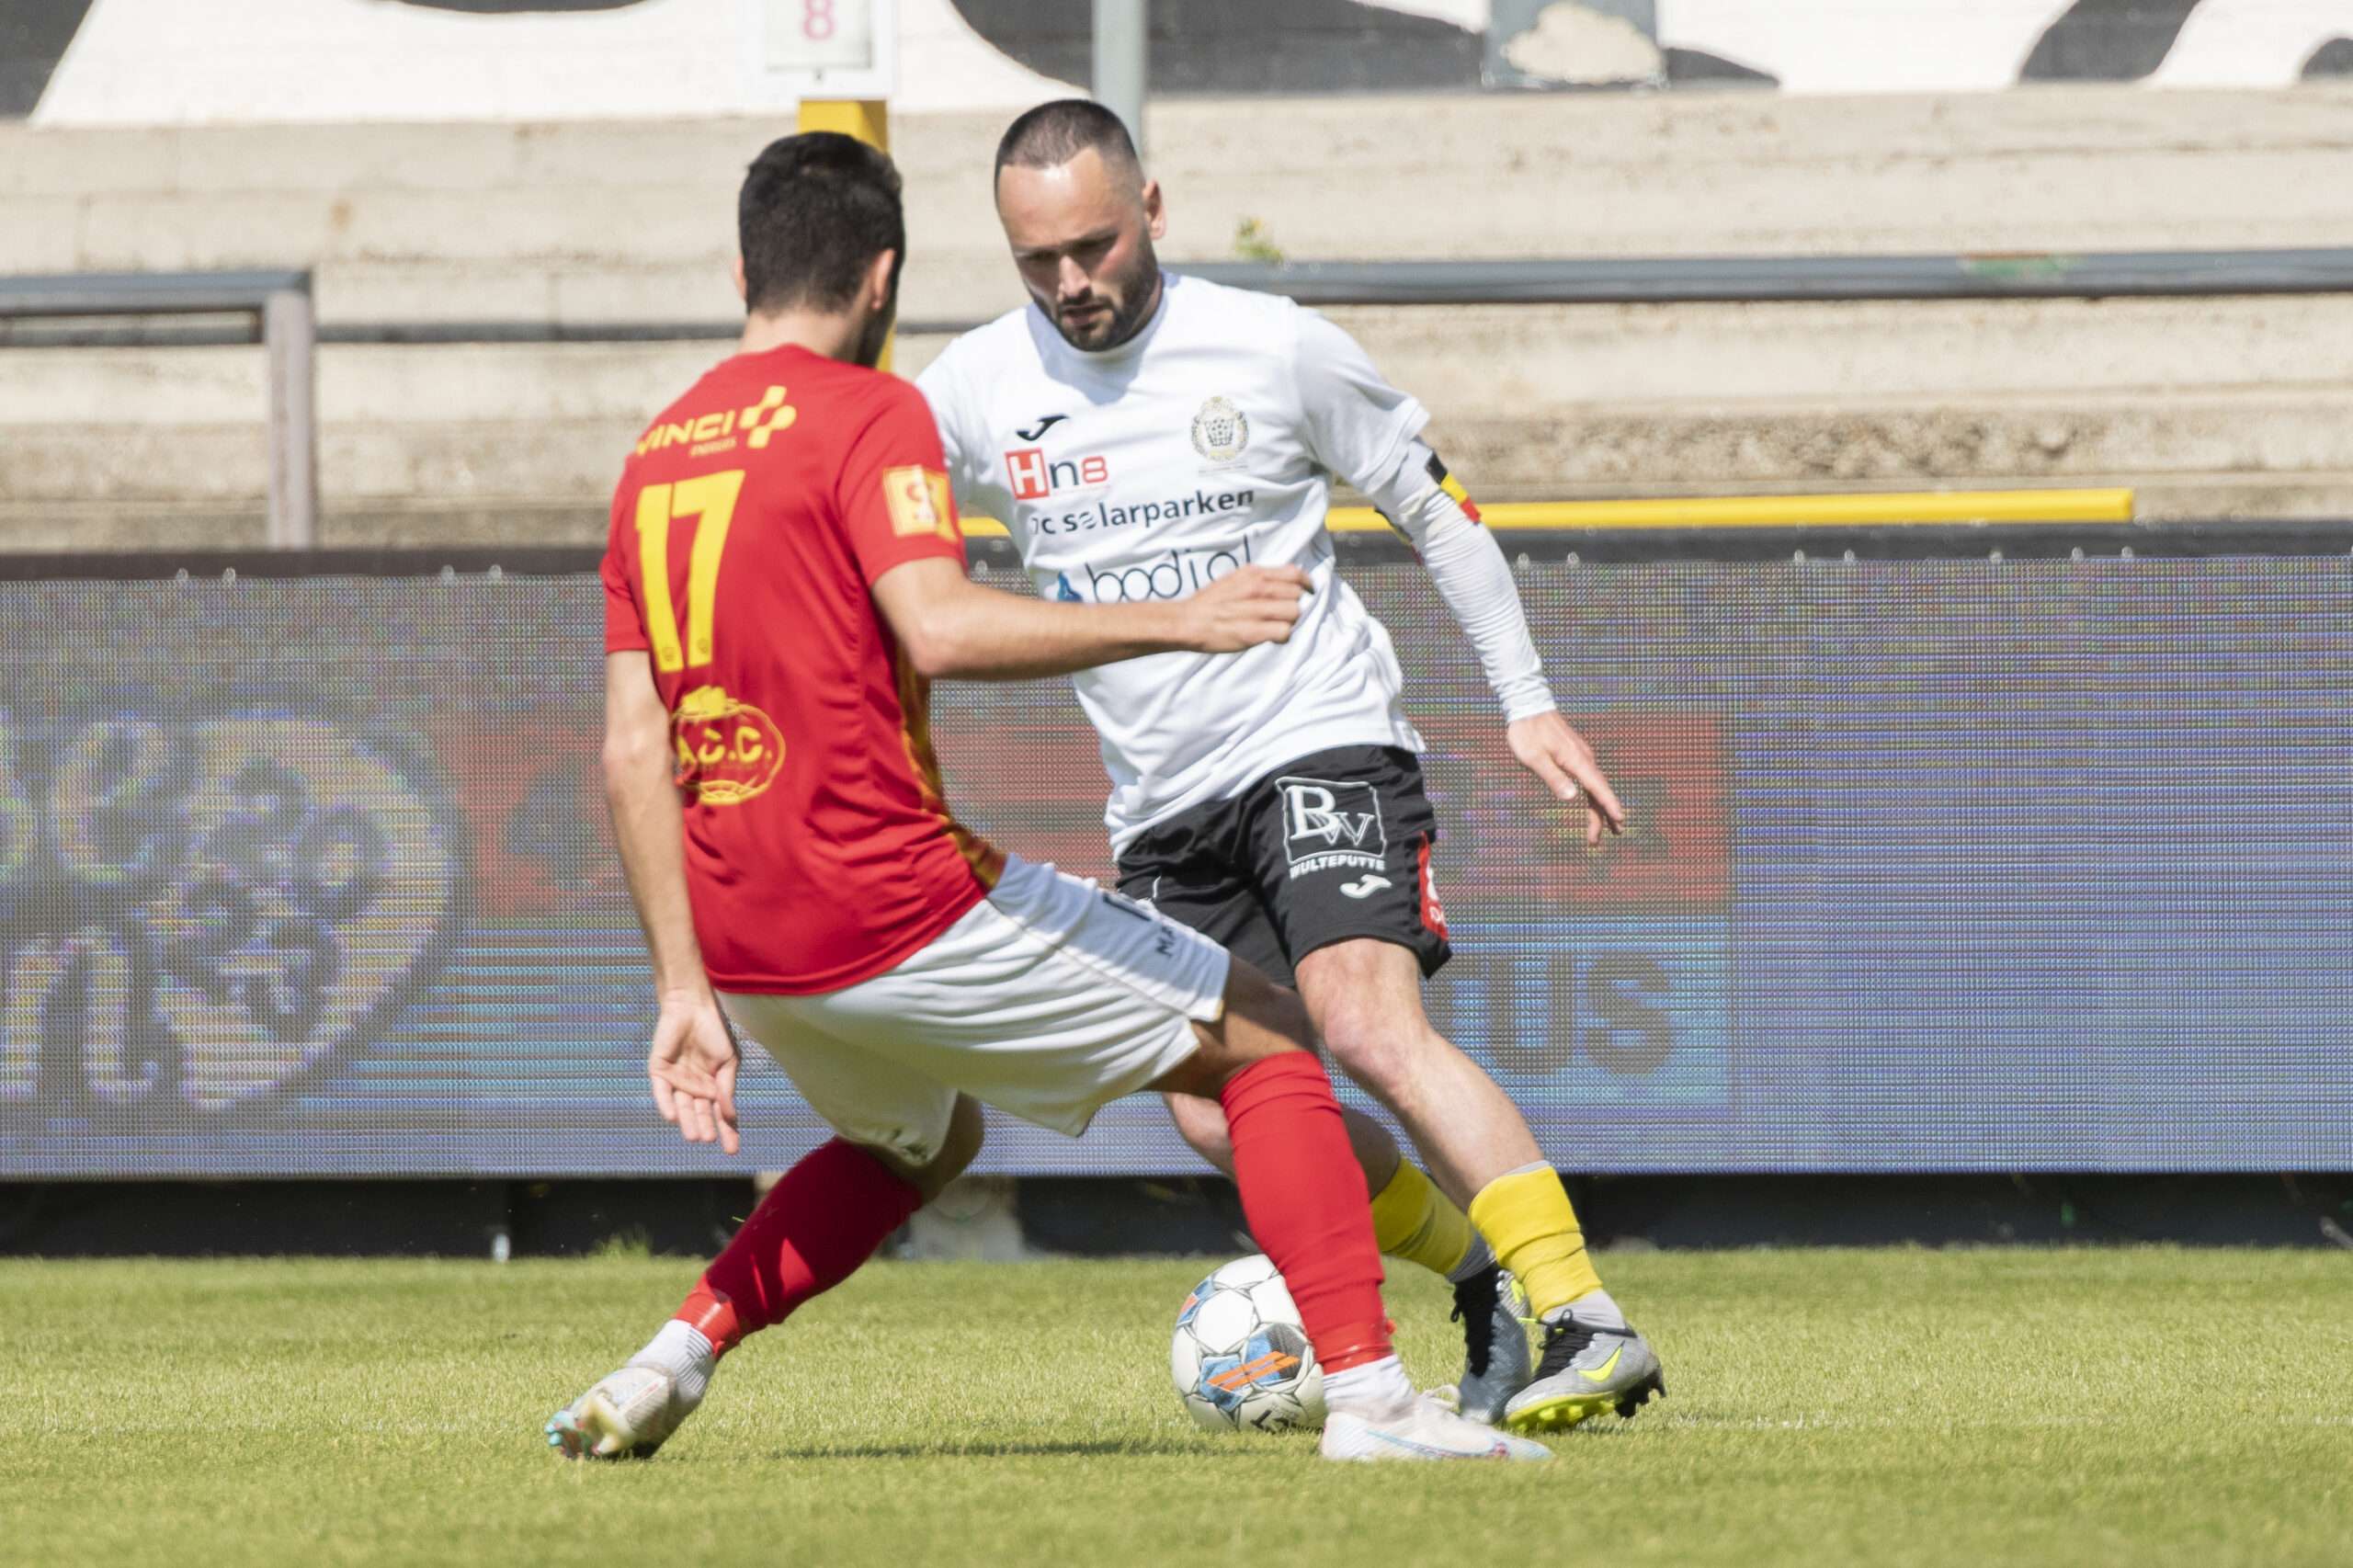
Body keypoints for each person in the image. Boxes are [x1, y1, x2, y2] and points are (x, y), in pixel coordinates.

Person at [545, 131, 1548, 1465]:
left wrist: (683, 989)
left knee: (920, 1140)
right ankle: (1372, 1399)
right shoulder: (870, 411)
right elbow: (942, 625)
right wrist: (1179, 618)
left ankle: (672, 1355)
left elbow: (629, 751)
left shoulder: (658, 454)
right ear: (886, 275)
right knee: (1266, 1043)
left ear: (742, 266)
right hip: (890, 896)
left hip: (741, 938)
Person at [914, 101, 1665, 1433]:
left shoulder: (1272, 345)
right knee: (1219, 1113)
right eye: (1039, 262)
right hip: (1161, 806)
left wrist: (1529, 703)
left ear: (1153, 210)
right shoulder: (973, 388)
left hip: (1318, 737)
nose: (1073, 283)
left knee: (1370, 1025)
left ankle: (1586, 1313)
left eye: (1094, 245)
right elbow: (875, 523)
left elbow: (1434, 501)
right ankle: (1481, 1274)